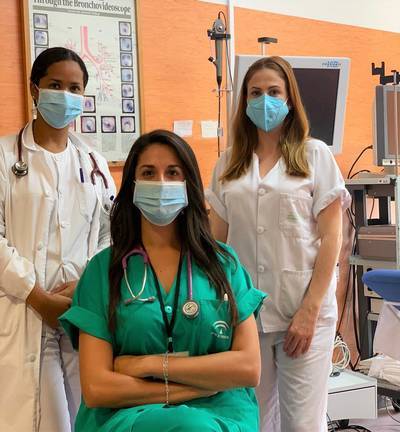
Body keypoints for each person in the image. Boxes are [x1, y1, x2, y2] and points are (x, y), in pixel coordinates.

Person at [59, 129, 266, 432]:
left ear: (188, 184)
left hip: (222, 415)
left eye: (172, 173)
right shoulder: (103, 272)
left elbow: (248, 368)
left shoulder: (224, 265)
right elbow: (97, 387)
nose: (161, 182)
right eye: (148, 173)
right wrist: (200, 386)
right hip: (126, 417)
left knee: (194, 427)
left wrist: (148, 365)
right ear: (132, 186)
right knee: (187, 425)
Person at [206, 56, 351, 432]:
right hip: (246, 316)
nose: (264, 100)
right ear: (244, 101)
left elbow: (332, 238)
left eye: (274, 92)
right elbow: (215, 243)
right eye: (255, 93)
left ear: (290, 100)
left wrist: (310, 311)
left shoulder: (314, 154)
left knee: (302, 425)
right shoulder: (228, 164)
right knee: (251, 422)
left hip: (302, 312)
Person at [0, 47, 116, 432]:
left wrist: (86, 283)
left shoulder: (94, 163)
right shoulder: (4, 156)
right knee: (42, 419)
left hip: (81, 308)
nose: (66, 95)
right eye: (55, 85)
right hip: (25, 308)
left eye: (75, 88)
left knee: (86, 413)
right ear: (35, 89)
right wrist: (36, 295)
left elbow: (111, 232)